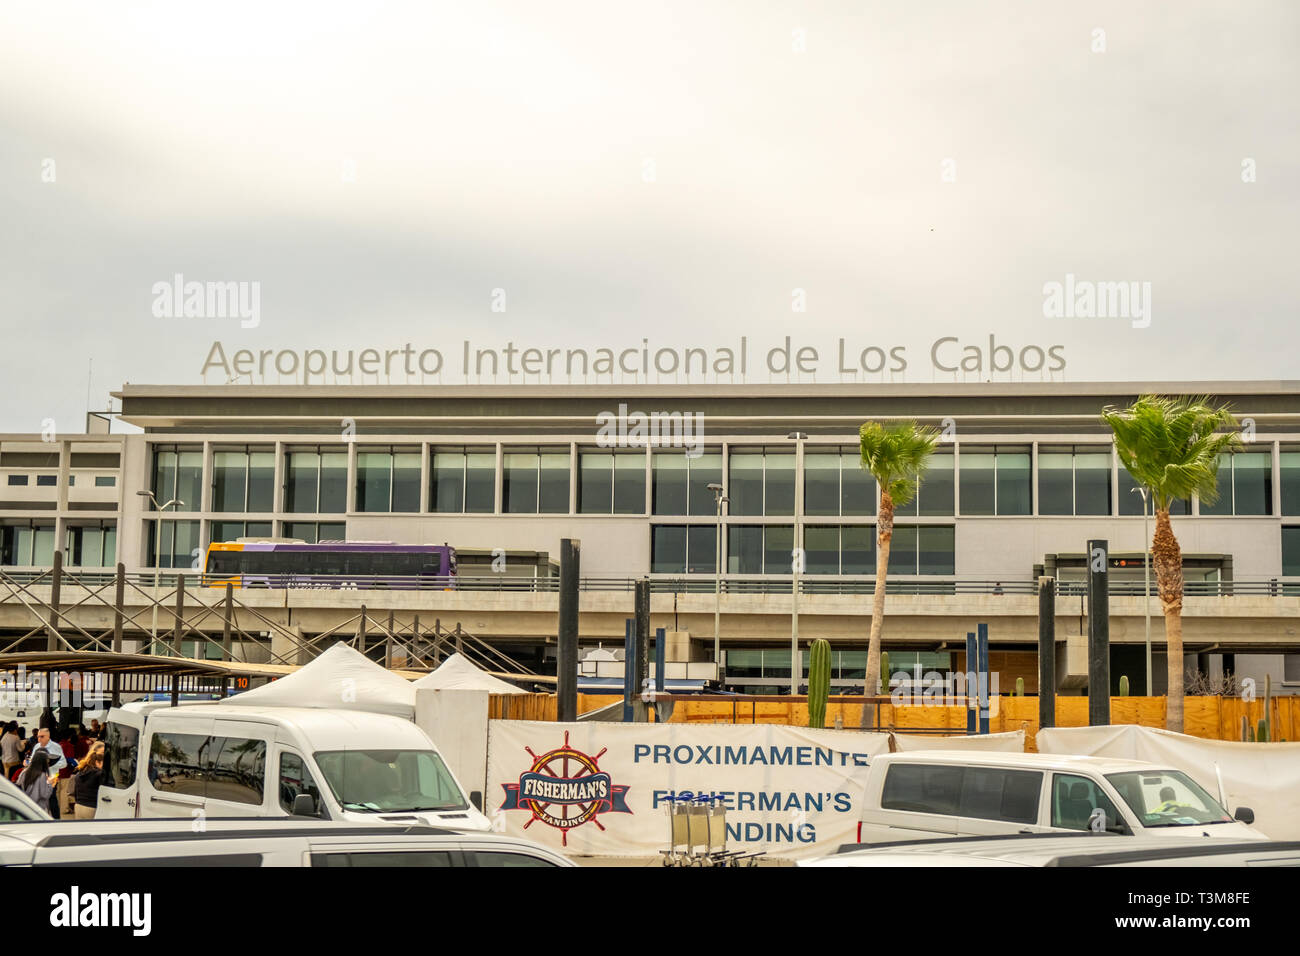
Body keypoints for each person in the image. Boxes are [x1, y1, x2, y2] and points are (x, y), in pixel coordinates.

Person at [18, 750, 56, 817]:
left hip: (26, 806)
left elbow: (19, 785)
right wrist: (50, 784)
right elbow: (45, 794)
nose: (48, 762)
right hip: (39, 809)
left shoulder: (24, 772)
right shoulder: (42, 775)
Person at [72, 744, 104, 820]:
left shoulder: (80, 773)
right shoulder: (99, 774)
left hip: (78, 806)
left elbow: (75, 791)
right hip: (91, 807)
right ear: (97, 762)